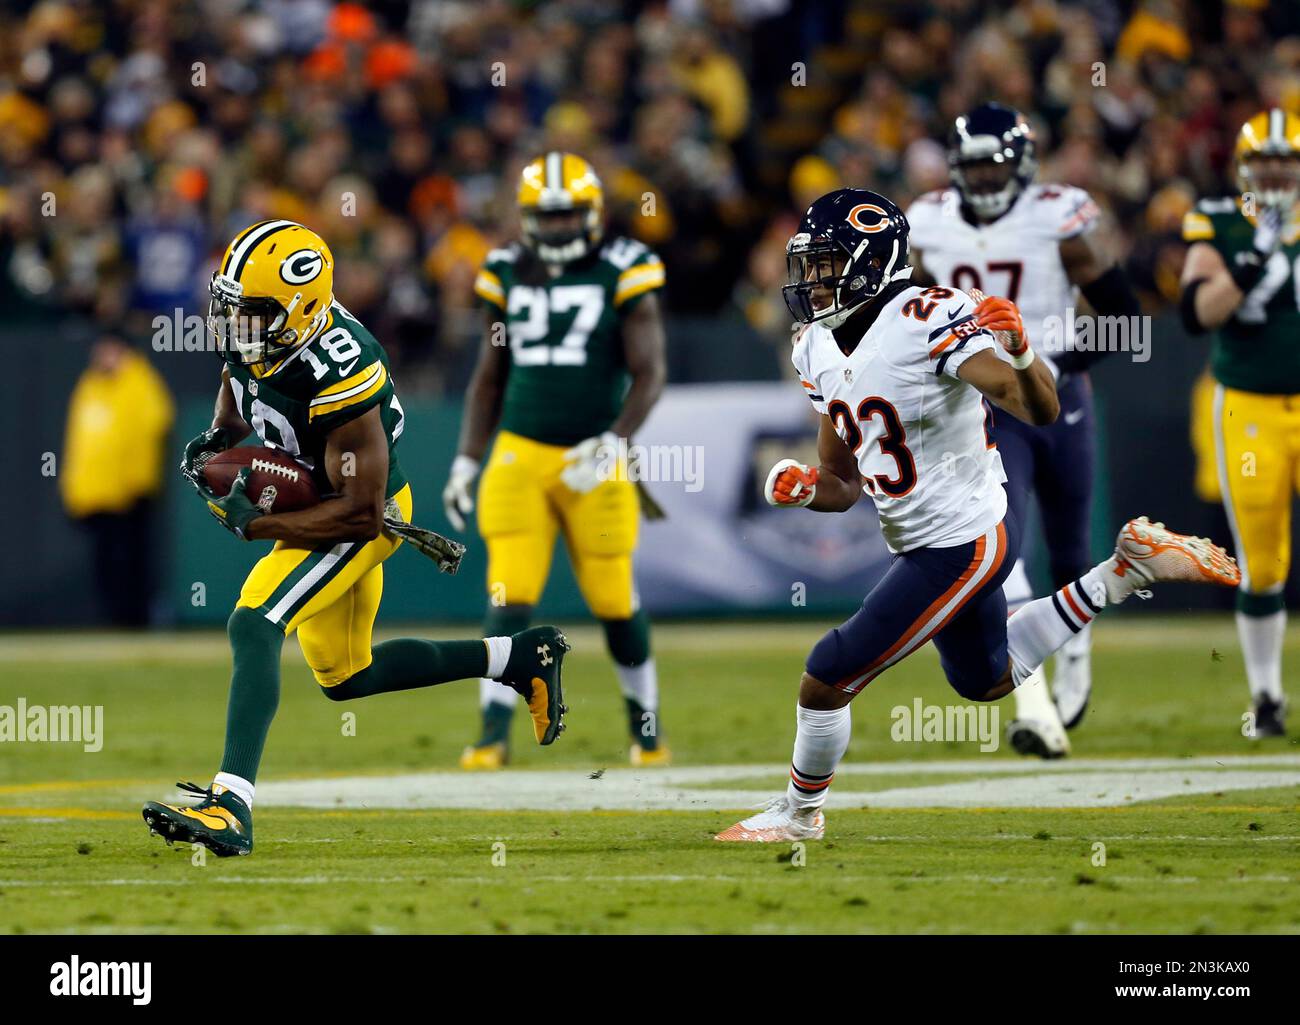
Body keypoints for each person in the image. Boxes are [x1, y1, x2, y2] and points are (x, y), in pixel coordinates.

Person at [716, 189, 1239, 842]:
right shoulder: (814, 347)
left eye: (824, 263)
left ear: (868, 263)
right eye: (810, 264)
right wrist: (803, 487)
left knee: (827, 672)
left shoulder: (924, 316)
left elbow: (1039, 410)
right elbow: (843, 482)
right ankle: (1124, 570)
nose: (810, 279)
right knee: (986, 678)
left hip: (965, 538)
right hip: (924, 539)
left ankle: (798, 813)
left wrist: (1021, 352)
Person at [142, 220, 569, 857]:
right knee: (346, 676)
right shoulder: (254, 333)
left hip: (360, 513)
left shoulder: (341, 364)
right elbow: (236, 404)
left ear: (302, 310)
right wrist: (216, 447)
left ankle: (230, 806)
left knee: (254, 623)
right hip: (323, 503)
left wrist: (258, 524)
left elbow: (361, 514)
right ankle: (517, 658)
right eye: (231, 309)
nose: (237, 326)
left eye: (252, 314)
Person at [906, 103, 1143, 756]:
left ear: (1022, 164)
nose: (983, 179)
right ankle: (1034, 705)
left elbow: (1124, 313)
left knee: (1069, 548)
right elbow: (906, 310)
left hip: (1058, 397)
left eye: (994, 165)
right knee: (1002, 546)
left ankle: (1077, 667)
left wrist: (1061, 361)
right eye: (973, 167)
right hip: (983, 407)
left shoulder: (1057, 217)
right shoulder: (927, 224)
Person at [443, 152, 669, 769]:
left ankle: (645, 730)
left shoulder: (625, 267)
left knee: (613, 597)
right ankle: (492, 733)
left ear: (592, 213)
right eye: (549, 215)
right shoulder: (504, 269)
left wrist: (617, 438)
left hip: (595, 454)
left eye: (571, 214)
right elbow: (488, 379)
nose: (562, 226)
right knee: (508, 593)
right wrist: (467, 458)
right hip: (519, 453)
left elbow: (650, 373)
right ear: (526, 217)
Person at [1179, 108, 1300, 737]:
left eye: (1289, 160)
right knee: (1264, 562)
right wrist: (1256, 252)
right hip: (1249, 405)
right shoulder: (1221, 220)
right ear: (1244, 167)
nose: (1278, 172)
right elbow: (1199, 311)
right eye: (1266, 161)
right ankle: (1268, 696)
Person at [61, 333, 174, 627]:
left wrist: (137, 483)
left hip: (131, 493)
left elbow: (151, 430)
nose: (104, 357)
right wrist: (76, 491)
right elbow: (80, 443)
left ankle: (135, 620)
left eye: (110, 350)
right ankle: (112, 620)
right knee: (105, 563)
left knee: (132, 561)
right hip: (98, 495)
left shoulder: (140, 383)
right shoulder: (90, 386)